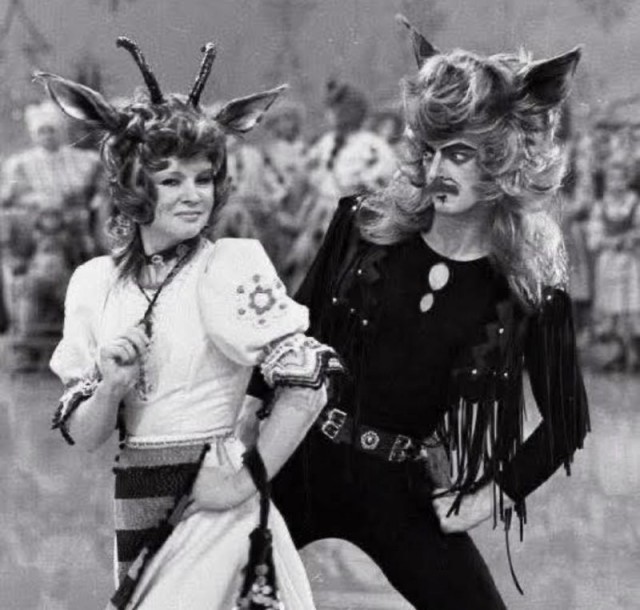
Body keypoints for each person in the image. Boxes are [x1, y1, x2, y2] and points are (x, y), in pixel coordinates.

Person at [255, 18, 591, 610]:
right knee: (198, 584)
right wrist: (242, 446)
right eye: (430, 150)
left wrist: (490, 496)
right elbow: (291, 336)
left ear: (505, 160)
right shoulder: (361, 226)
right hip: (302, 458)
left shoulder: (531, 285)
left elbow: (567, 420)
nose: (438, 171)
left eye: (459, 154)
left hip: (400, 485)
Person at [40, 38, 342, 610]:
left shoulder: (227, 266)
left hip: (216, 503)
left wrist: (240, 483)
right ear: (135, 186)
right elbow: (84, 435)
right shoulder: (93, 284)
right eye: (172, 180)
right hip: (135, 501)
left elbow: (309, 387)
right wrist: (111, 388)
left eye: (203, 179)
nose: (193, 196)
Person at [588, 154, 640, 371]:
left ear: (627, 180)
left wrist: (631, 238)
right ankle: (617, 353)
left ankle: (634, 353)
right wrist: (610, 241)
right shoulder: (601, 206)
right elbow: (594, 239)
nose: (616, 183)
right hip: (609, 262)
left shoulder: (635, 203)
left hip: (630, 261)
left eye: (620, 178)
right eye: (612, 179)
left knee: (631, 305)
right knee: (611, 309)